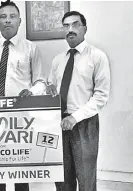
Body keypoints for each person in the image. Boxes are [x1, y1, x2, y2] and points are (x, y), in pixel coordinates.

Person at [0, 1, 47, 190]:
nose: (7, 20)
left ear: (20, 21)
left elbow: (40, 81)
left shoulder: (31, 49)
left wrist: (32, 91)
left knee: (21, 168)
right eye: (3, 17)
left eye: (12, 16)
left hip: (20, 118)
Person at [46, 11, 110, 191]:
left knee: (86, 178)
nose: (70, 30)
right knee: (62, 179)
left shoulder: (97, 56)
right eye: (66, 26)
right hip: (59, 124)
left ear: (85, 29)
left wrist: (75, 117)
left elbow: (101, 96)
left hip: (84, 124)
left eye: (75, 25)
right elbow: (52, 85)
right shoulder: (58, 60)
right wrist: (49, 89)